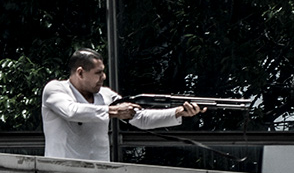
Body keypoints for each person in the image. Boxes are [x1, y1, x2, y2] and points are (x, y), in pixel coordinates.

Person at [41, 48, 203, 161]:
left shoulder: (106, 95)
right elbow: (71, 111)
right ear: (80, 72)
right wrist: (114, 111)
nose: (103, 77)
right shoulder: (56, 88)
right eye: (98, 73)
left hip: (100, 172)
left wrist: (178, 112)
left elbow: (140, 118)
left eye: (103, 71)